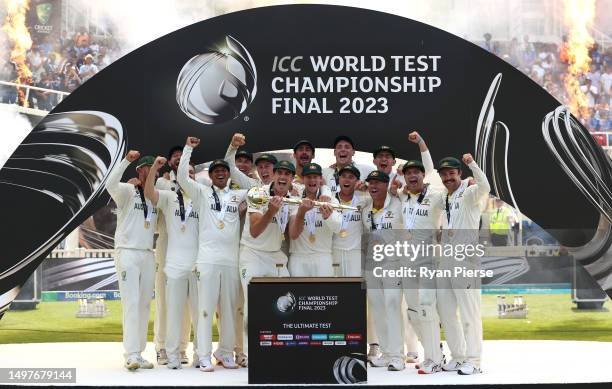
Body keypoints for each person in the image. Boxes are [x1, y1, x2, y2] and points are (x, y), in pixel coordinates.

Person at [177, 137, 248, 372]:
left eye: (224, 170)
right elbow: (181, 178)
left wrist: (233, 151)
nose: (220, 173)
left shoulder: (238, 195)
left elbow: (261, 190)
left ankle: (226, 353)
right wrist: (188, 149)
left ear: (229, 175)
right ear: (210, 175)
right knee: (205, 309)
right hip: (207, 260)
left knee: (229, 310)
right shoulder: (201, 193)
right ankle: (204, 354)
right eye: (216, 170)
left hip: (231, 261)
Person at [435, 154, 490, 375]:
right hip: (446, 259)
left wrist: (472, 164)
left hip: (466, 260)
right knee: (446, 312)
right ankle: (458, 357)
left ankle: (474, 360)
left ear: (460, 174)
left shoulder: (469, 193)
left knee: (469, 313)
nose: (448, 177)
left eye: (452, 173)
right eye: (444, 174)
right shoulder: (444, 198)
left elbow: (485, 185)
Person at [144, 157, 199, 370]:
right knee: (168, 305)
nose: (189, 176)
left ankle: (188, 350)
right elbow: (150, 193)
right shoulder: (167, 192)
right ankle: (164, 348)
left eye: (192, 173)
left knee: (193, 309)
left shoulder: (201, 195)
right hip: (171, 252)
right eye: (185, 172)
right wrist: (156, 169)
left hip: (195, 259)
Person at [106, 151, 158, 370]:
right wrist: (127, 160)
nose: (151, 172)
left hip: (147, 253)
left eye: (155, 170)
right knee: (131, 302)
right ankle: (131, 354)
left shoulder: (156, 194)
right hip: (127, 251)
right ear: (140, 170)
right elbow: (110, 184)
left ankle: (139, 353)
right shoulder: (127, 190)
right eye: (148, 168)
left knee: (145, 304)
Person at [238, 160, 296, 359]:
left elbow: (294, 233)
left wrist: (304, 210)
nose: (282, 177)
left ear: (292, 179)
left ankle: (279, 349)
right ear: (273, 174)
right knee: (253, 304)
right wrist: (271, 211)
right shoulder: (257, 193)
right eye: (279, 172)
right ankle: (249, 354)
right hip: (252, 253)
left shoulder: (292, 198)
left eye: (287, 174)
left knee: (287, 302)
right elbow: (254, 231)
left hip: (276, 256)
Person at [398, 155, 445, 374]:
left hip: (428, 259)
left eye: (416, 172)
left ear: (423, 175)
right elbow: (390, 189)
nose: (413, 175)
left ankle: (434, 359)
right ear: (404, 176)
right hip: (408, 261)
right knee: (414, 312)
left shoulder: (435, 195)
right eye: (408, 173)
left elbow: (453, 201)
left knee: (427, 307)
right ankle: (434, 352)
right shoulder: (402, 196)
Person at [362, 170, 405, 371]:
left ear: (386, 184)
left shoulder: (397, 204)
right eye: (371, 182)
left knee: (393, 307)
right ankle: (386, 353)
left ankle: (398, 356)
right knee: (379, 310)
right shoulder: (366, 209)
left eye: (378, 182)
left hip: (392, 263)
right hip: (373, 266)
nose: (374, 186)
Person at [288, 163, 341, 277]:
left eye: (315, 177)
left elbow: (337, 228)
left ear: (320, 179)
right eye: (308, 177)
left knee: (324, 294)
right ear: (303, 179)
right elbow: (293, 234)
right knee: (298, 295)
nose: (312, 180)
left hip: (323, 257)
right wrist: (301, 213)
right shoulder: (295, 199)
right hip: (298, 257)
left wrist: (328, 216)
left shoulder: (331, 200)